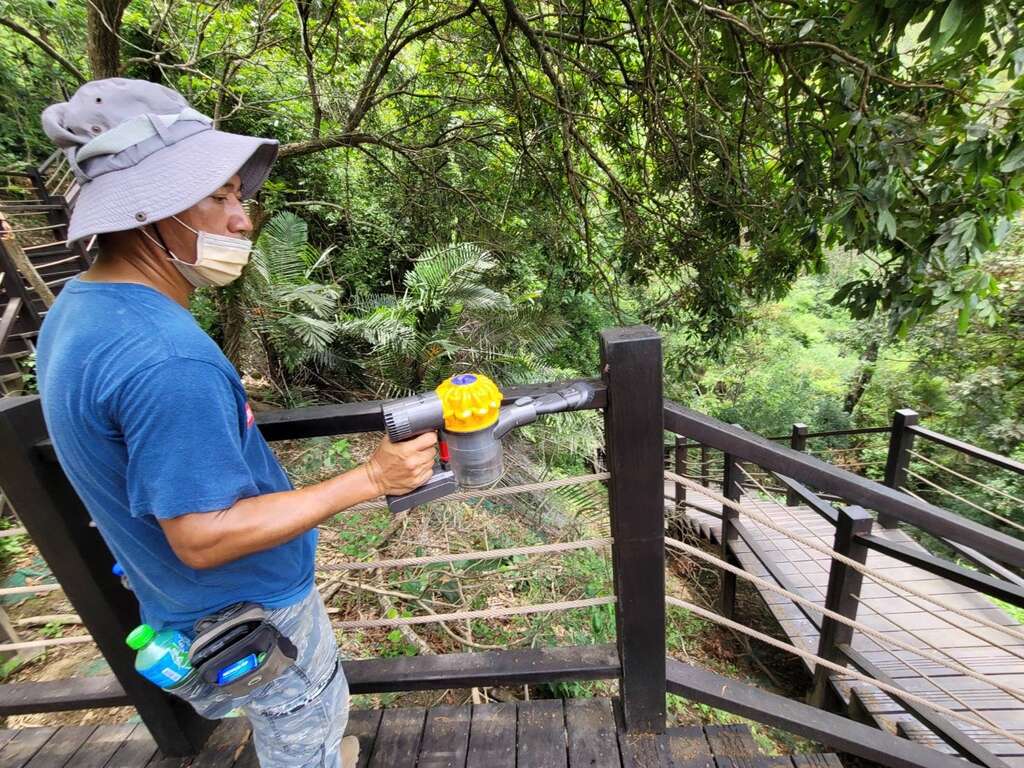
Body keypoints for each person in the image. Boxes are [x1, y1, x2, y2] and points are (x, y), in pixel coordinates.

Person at [34, 77, 437, 768]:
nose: (242, 220)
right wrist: (371, 477)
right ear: (148, 208)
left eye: (238, 197)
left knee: (296, 715)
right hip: (246, 608)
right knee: (301, 725)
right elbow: (200, 536)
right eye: (217, 197)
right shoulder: (166, 359)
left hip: (178, 602)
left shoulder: (78, 308)